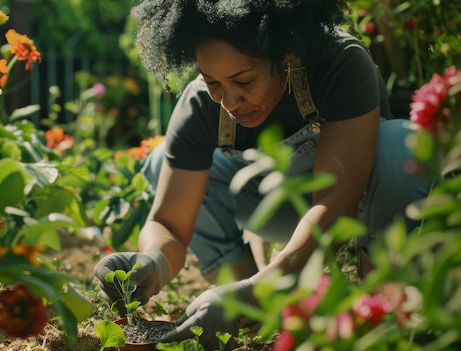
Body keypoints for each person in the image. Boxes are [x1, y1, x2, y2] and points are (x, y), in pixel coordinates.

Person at [94, 0, 431, 349]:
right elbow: (170, 223)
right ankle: (255, 309)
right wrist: (154, 262)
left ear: (284, 57)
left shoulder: (339, 62)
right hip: (272, 209)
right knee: (160, 158)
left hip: (355, 206)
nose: (229, 100)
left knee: (401, 144)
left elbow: (337, 200)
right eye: (213, 82)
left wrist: (256, 289)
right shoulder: (201, 104)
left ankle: (380, 308)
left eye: (244, 81)